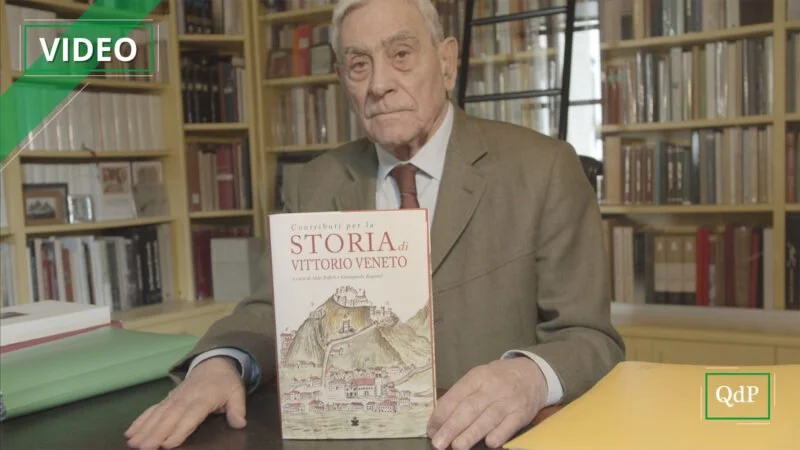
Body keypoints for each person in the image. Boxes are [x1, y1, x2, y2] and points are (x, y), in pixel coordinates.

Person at [124, 0, 624, 449]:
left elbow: (590, 336)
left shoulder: (544, 168)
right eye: (359, 64)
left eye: (401, 54)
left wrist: (529, 377)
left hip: (488, 440)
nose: (379, 84)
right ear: (342, 78)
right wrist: (221, 361)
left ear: (447, 62)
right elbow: (271, 307)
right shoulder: (316, 182)